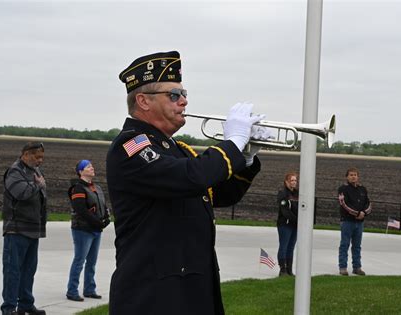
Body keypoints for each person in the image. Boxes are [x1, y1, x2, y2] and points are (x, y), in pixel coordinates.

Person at [106, 51, 269, 315]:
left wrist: (247, 156)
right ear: (143, 101)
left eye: (184, 94)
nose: (184, 101)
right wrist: (233, 143)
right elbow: (192, 176)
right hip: (154, 296)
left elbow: (220, 193)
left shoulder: (176, 149)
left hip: (189, 291)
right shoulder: (131, 146)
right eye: (174, 95)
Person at [1, 142, 47, 315]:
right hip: (17, 229)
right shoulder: (15, 171)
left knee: (29, 270)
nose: (40, 161)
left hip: (33, 229)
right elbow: (21, 193)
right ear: (26, 154)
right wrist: (38, 185)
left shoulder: (35, 172)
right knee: (13, 271)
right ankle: (9, 308)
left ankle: (26, 305)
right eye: (37, 157)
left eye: (42, 157)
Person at [66, 160, 111, 302]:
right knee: (79, 260)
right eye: (88, 166)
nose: (92, 168)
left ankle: (89, 289)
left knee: (92, 262)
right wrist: (97, 222)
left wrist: (106, 218)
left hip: (96, 229)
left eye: (92, 165)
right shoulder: (77, 188)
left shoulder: (96, 187)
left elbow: (103, 205)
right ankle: (72, 291)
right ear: (80, 171)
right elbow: (80, 209)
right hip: (82, 229)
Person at [337, 167, 372, 276]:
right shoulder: (343, 189)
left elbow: (369, 204)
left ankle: (357, 267)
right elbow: (343, 204)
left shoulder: (363, 189)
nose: (353, 177)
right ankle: (343, 267)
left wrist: (364, 213)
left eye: (355, 175)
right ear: (347, 177)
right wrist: (356, 213)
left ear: (358, 176)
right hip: (347, 221)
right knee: (344, 245)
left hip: (360, 223)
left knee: (357, 246)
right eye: (351, 175)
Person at [276, 172, 299, 276]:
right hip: (285, 224)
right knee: (284, 246)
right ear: (286, 182)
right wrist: (297, 219)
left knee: (291, 247)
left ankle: (289, 269)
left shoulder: (297, 193)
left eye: (295, 180)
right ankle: (283, 269)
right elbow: (285, 211)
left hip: (295, 225)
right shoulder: (283, 193)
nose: (294, 182)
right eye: (292, 180)